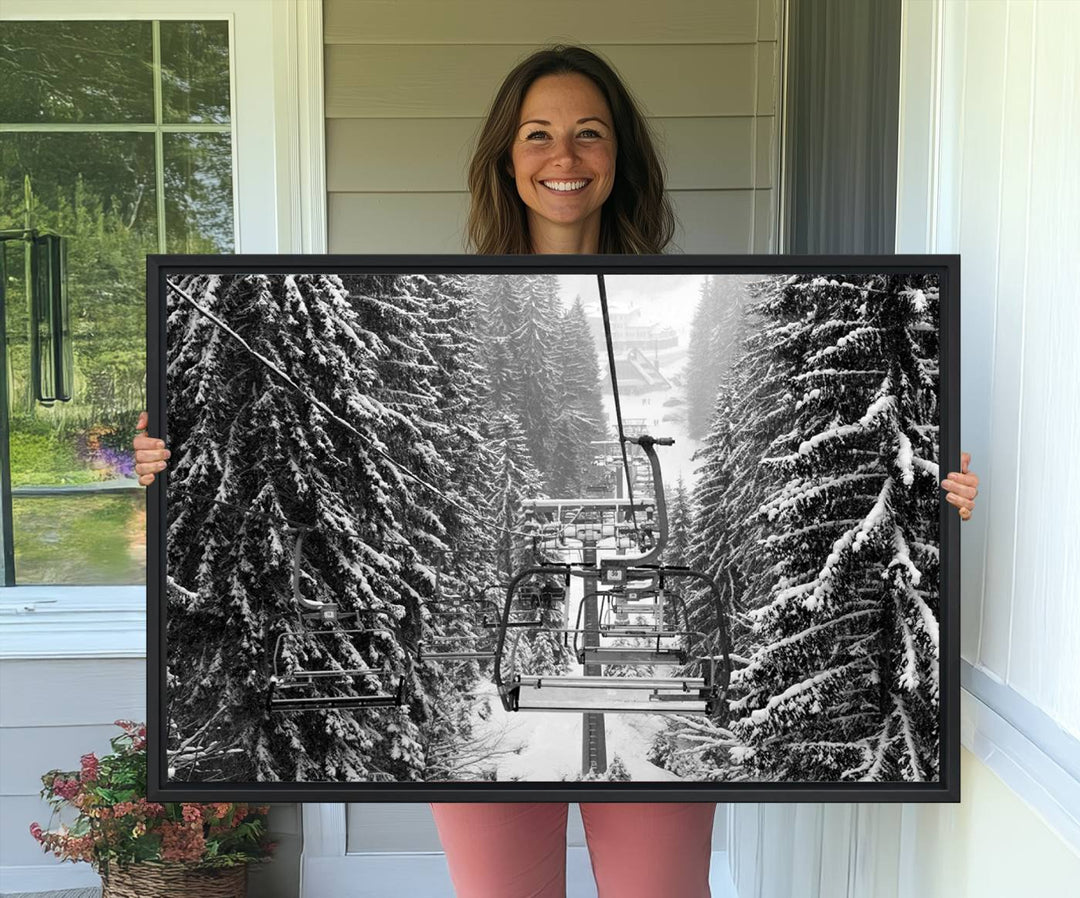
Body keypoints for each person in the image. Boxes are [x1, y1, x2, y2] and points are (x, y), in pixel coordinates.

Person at [134, 44, 980, 898]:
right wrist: (168, 465)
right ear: (507, 159)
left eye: (589, 134)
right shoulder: (455, 311)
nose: (563, 158)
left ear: (620, 159)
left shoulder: (702, 286)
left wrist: (933, 502)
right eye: (537, 135)